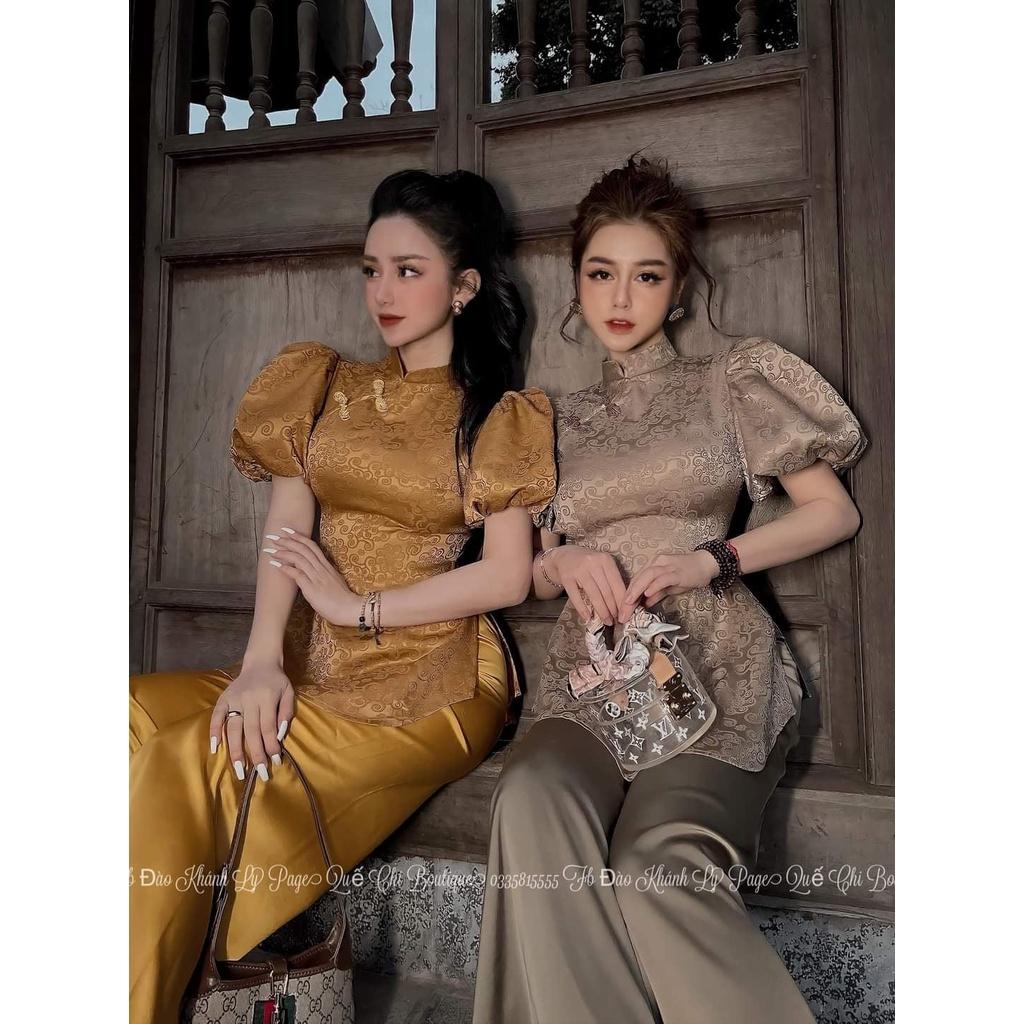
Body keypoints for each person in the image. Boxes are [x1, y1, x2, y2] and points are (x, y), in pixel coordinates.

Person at [129, 168, 556, 1023]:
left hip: (432, 679)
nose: (382, 292)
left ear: (465, 286)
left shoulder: (496, 414)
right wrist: (260, 661)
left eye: (408, 270)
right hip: (308, 663)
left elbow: (508, 575)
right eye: (371, 270)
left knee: (195, 757)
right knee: (127, 713)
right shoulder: (323, 385)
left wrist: (356, 608)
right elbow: (286, 528)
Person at [472, 154, 868, 1024]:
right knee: (531, 800)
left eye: (646, 275)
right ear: (576, 284)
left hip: (716, 664)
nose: (621, 297)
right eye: (601, 273)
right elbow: (530, 566)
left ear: (679, 290)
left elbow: (831, 512)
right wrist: (562, 563)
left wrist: (709, 560)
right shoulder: (549, 421)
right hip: (591, 677)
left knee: (656, 867)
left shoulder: (731, 382)